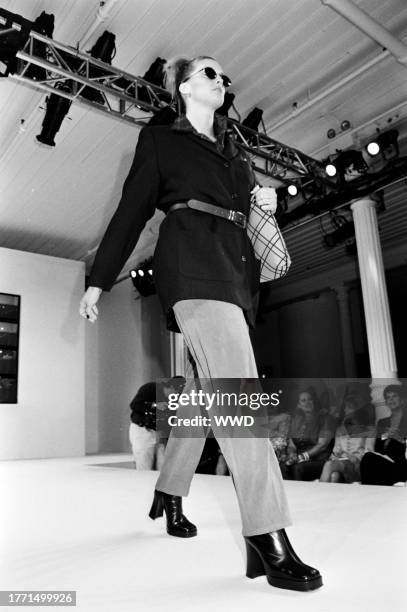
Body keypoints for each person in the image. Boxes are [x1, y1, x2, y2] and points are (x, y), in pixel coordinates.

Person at [79, 55, 322, 592]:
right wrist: (99, 279)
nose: (222, 80)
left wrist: (264, 202)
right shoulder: (162, 142)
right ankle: (268, 534)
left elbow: (249, 220)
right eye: (210, 72)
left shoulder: (237, 156)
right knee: (239, 393)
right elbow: (130, 211)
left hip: (236, 277)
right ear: (184, 85)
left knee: (201, 394)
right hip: (190, 268)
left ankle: (169, 491)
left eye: (225, 76)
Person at [129, 376, 185, 470]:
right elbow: (135, 405)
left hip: (159, 433)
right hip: (143, 430)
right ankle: (143, 483)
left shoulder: (174, 400)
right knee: (144, 464)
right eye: (176, 393)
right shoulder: (150, 388)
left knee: (162, 466)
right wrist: (154, 406)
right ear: (171, 387)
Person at [282, 389, 336, 481]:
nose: (307, 402)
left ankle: (302, 495)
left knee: (298, 468)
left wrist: (302, 457)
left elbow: (322, 445)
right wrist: (292, 454)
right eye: (303, 400)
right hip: (299, 459)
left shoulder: (326, 419)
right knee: (282, 466)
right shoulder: (295, 421)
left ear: (314, 401)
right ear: (298, 405)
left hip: (318, 460)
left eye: (310, 399)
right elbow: (292, 444)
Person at [320, 396, 375, 483]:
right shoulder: (340, 429)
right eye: (345, 407)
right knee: (334, 476)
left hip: (357, 465)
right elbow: (335, 451)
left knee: (329, 465)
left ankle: (317, 494)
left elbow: (369, 453)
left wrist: (356, 458)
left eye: (349, 407)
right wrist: (335, 455)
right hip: (340, 463)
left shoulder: (370, 430)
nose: (345, 410)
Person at [360, 384, 407, 486]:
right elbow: (377, 447)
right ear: (386, 402)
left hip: (402, 464)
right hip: (387, 461)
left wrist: (399, 439)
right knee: (368, 458)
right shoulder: (382, 422)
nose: (391, 400)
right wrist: (385, 437)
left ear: (402, 399)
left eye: (394, 396)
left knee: (369, 461)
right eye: (388, 397)